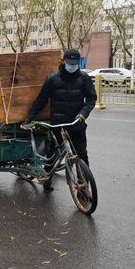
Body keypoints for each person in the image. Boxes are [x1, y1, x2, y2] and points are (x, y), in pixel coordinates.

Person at [25, 49, 96, 185]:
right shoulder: (52, 79)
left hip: (77, 124)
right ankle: (46, 179)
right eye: (69, 63)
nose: (72, 66)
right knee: (53, 153)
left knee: (81, 154)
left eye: (75, 64)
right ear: (63, 61)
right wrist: (30, 118)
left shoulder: (84, 78)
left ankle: (83, 183)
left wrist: (84, 113)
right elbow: (41, 100)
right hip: (57, 125)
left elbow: (91, 98)